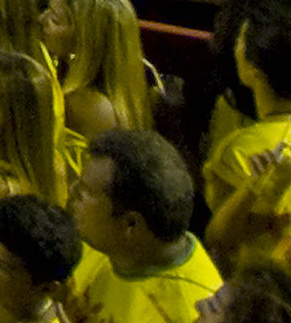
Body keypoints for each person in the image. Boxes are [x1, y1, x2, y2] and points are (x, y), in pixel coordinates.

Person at [62, 129, 219, 323]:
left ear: (131, 224)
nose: (72, 190)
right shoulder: (105, 242)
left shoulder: (188, 313)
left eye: (85, 192)